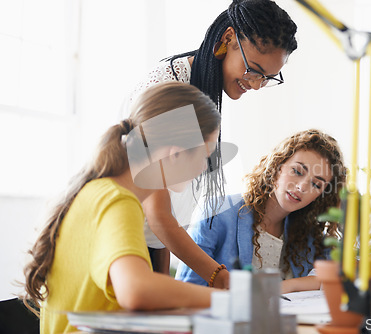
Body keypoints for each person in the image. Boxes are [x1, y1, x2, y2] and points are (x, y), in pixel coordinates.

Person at [23, 82, 222, 334]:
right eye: (205, 156)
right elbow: (136, 290)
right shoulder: (117, 201)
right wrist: (229, 301)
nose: (205, 168)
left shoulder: (98, 192)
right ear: (175, 153)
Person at [124, 0, 299, 288]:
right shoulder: (167, 89)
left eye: (266, 78)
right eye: (253, 69)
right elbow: (156, 211)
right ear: (228, 38)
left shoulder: (202, 89)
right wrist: (219, 277)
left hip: (150, 249)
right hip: (125, 246)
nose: (256, 85)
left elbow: (165, 216)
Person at [175, 130, 347, 294]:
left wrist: (290, 285)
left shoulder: (309, 236)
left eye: (316, 184)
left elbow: (342, 274)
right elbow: (186, 289)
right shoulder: (217, 212)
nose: (302, 187)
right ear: (278, 166)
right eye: (297, 171)